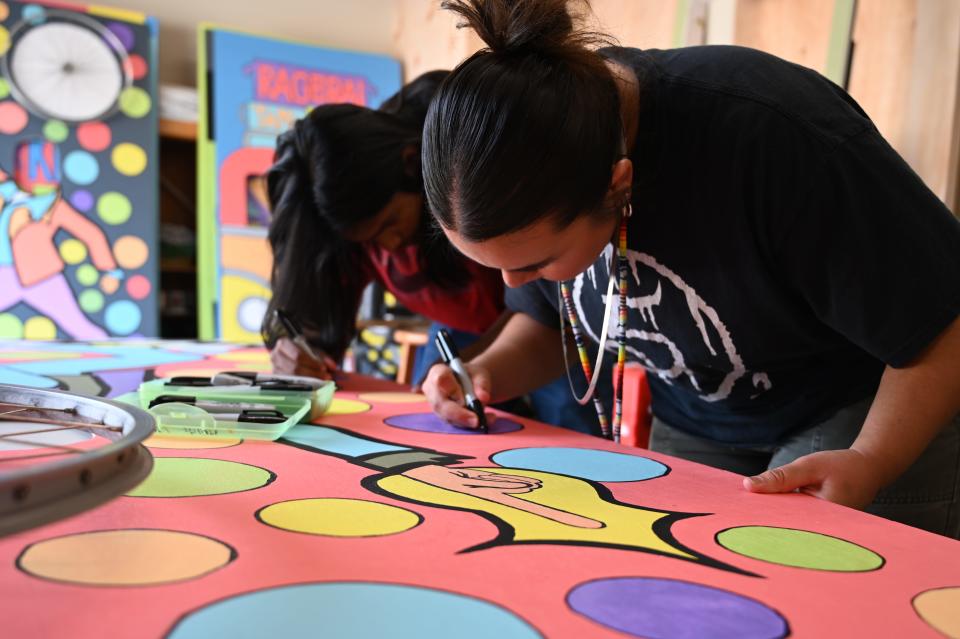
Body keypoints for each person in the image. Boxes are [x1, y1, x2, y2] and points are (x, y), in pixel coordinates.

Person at [420, 0, 960, 537]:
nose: (512, 283)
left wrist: (872, 458)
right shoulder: (550, 143)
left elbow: (942, 323)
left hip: (857, 410)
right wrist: (486, 374)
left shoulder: (773, 138)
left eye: (534, 263)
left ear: (618, 186)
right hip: (698, 419)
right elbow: (546, 323)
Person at [262, 70, 608, 435]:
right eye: (370, 241)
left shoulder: (463, 160)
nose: (391, 246)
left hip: (553, 320)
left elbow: (546, 312)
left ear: (413, 165)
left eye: (389, 224)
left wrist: (482, 363)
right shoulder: (351, 212)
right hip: (458, 330)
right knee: (437, 421)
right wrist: (300, 353)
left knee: (571, 425)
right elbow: (317, 321)